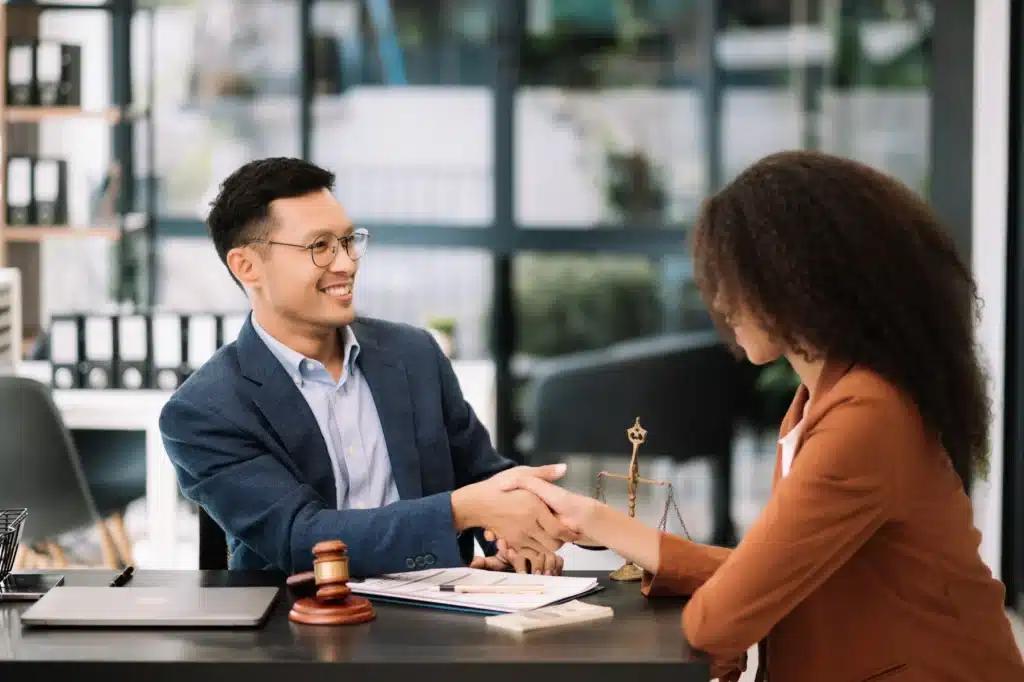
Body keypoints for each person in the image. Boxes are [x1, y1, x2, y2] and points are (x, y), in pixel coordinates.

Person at [498, 151, 1024, 681]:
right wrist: (594, 520)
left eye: (738, 279)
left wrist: (725, 612)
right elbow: (773, 574)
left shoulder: (866, 417)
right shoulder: (822, 401)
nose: (722, 302)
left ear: (806, 280)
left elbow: (723, 618)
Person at [158, 157, 576, 578]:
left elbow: (481, 476)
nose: (346, 264)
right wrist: (461, 511)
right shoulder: (203, 410)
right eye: (320, 246)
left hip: (438, 618)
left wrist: (512, 538)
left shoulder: (414, 354)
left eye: (347, 241)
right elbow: (301, 539)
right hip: (295, 629)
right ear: (247, 266)